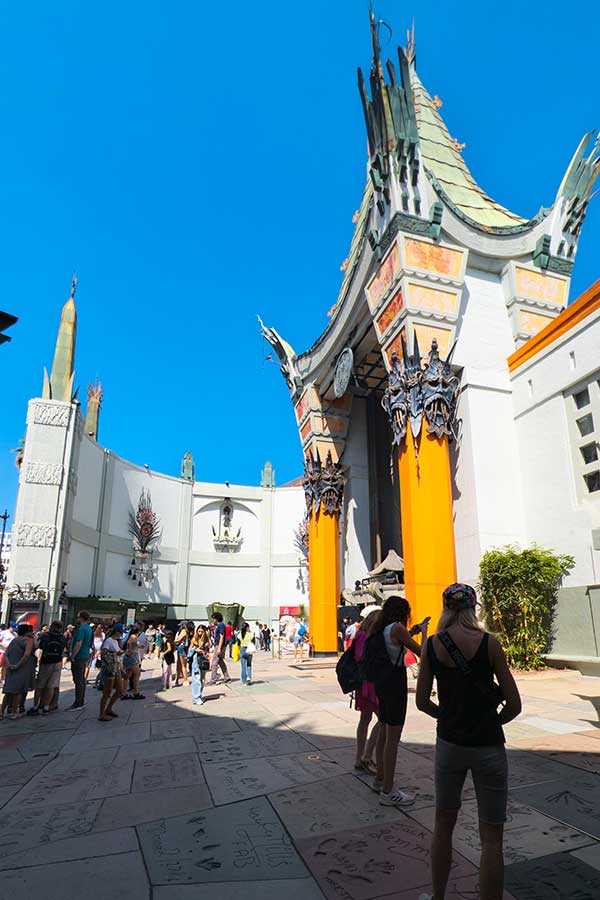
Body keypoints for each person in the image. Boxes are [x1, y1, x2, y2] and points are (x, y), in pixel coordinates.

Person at [416, 583, 522, 900]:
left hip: (449, 745)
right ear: (473, 607)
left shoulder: (432, 645)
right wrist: (489, 722)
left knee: (443, 823)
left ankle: (437, 897)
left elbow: (422, 702)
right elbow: (514, 705)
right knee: (492, 836)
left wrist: (448, 718)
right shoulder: (490, 644)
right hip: (488, 746)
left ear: (446, 608)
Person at [365, 594, 428, 808]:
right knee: (394, 737)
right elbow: (423, 653)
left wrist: (413, 632)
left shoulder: (383, 627)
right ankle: (389, 791)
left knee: (384, 730)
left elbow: (395, 643)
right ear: (403, 612)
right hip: (395, 685)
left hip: (383, 683)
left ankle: (380, 779)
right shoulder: (398, 628)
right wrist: (425, 633)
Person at [352, 611, 380, 773]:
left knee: (365, 718)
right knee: (383, 718)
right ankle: (367, 756)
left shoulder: (360, 634)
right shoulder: (367, 637)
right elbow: (362, 657)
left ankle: (359, 757)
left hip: (362, 682)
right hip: (370, 683)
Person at [27, 621, 66, 716]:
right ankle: (46, 707)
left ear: (51, 626)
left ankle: (36, 706)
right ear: (60, 628)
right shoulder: (62, 637)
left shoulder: (45, 635)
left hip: (46, 662)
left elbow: (39, 646)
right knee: (51, 685)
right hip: (57, 662)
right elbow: (64, 648)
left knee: (40, 685)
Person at [1, 624, 35, 719]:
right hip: (22, 668)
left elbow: (6, 654)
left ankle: (1, 712)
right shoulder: (29, 641)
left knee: (8, 692)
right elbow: (26, 655)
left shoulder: (14, 640)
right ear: (27, 632)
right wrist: (17, 665)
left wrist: (9, 664)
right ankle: (14, 712)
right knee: (18, 692)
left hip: (11, 668)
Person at [68, 611, 94, 710]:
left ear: (81, 618)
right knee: (81, 679)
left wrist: (72, 656)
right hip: (85, 654)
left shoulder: (81, 629)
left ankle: (78, 702)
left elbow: (78, 643)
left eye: (78, 617)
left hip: (79, 656)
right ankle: (80, 700)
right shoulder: (89, 629)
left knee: (78, 679)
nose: (77, 619)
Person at [99, 623, 124, 721]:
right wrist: (116, 653)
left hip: (116, 667)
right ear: (117, 632)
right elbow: (103, 654)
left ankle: (108, 708)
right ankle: (101, 714)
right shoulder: (109, 641)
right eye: (121, 632)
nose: (122, 635)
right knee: (107, 692)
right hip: (109, 668)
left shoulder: (116, 641)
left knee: (120, 690)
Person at [188, 624, 210, 705]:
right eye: (199, 631)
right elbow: (189, 651)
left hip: (204, 661)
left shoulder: (207, 640)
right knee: (196, 679)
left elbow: (208, 650)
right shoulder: (194, 639)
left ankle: (198, 696)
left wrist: (205, 651)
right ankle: (196, 698)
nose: (200, 633)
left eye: (202, 631)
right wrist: (195, 649)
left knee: (202, 680)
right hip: (196, 661)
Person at [122, 626, 145, 700]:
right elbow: (129, 643)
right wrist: (130, 650)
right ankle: (136, 693)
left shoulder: (132, 636)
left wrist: (138, 646)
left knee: (127, 675)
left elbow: (131, 644)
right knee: (137, 674)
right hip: (132, 657)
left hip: (130, 656)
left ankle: (124, 693)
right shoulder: (134, 636)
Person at [208, 612, 231, 685]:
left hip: (219, 645)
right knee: (220, 661)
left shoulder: (221, 625)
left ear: (216, 618)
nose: (212, 620)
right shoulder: (218, 626)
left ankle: (213, 680)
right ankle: (227, 677)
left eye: (213, 619)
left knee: (214, 662)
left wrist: (219, 648)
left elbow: (221, 637)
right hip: (218, 645)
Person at [174, 622, 190, 687]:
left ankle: (185, 680)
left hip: (181, 648)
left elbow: (178, 640)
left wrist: (172, 640)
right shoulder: (182, 631)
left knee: (183, 665)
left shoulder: (183, 631)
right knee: (179, 665)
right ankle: (177, 680)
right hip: (180, 648)